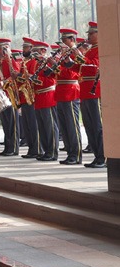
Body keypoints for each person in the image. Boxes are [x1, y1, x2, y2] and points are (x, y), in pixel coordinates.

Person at [52, 28, 84, 165]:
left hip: (70, 91)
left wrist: (59, 66)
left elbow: (72, 73)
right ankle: (70, 152)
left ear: (71, 40)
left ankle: (76, 154)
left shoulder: (77, 53)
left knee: (72, 125)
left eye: (65, 40)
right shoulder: (65, 55)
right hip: (61, 92)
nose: (62, 43)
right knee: (64, 126)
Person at [80, 22, 105, 168]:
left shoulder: (100, 49)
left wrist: (81, 58)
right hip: (85, 91)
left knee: (97, 126)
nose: (88, 36)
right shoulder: (89, 50)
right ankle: (97, 156)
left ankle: (103, 157)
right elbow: (81, 68)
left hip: (95, 90)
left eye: (91, 33)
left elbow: (95, 66)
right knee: (89, 126)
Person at [0, 38, 21, 156]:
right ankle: (8, 146)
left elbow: (15, 76)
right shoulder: (1, 63)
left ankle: (13, 148)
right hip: (3, 94)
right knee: (5, 122)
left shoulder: (10, 61)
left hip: (10, 94)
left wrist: (3, 82)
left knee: (12, 122)